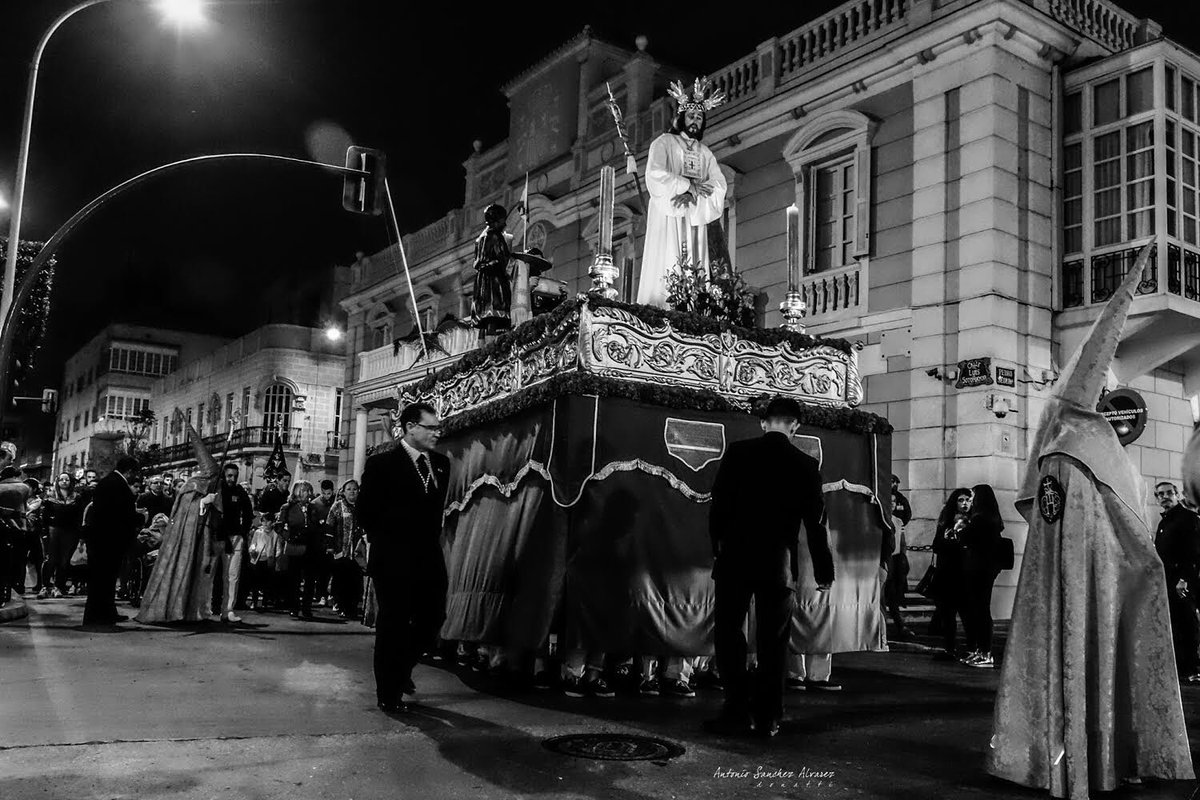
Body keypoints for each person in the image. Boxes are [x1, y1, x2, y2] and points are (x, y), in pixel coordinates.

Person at [990, 244, 1194, 796]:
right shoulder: (1090, 447)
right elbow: (1120, 529)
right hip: (1100, 583)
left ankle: (1058, 760)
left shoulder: (1056, 447)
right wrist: (1144, 564)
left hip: (1078, 583)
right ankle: (1094, 760)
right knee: (1096, 661)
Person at [704, 396, 834, 738]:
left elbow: (719, 507)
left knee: (729, 633)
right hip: (779, 563)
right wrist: (824, 571)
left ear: (764, 422)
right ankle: (768, 716)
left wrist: (717, 547)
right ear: (795, 426)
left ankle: (735, 708)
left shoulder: (738, 453)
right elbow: (816, 523)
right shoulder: (805, 464)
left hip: (735, 557)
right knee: (774, 641)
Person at [357, 402, 450, 714]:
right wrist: (391, 538)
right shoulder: (382, 464)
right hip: (392, 557)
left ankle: (402, 666)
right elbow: (365, 513)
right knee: (393, 623)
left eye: (437, 428)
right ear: (411, 427)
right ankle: (389, 692)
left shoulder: (441, 464)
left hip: (428, 556)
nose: (437, 433)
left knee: (433, 616)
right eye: (430, 427)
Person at [637, 77, 728, 308]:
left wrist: (693, 194)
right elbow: (655, 173)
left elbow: (719, 184)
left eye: (699, 117)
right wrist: (687, 186)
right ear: (681, 118)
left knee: (696, 264)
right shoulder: (664, 143)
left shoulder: (705, 153)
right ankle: (665, 303)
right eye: (691, 116)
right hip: (670, 214)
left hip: (694, 217)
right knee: (668, 258)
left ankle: (695, 303)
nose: (695, 121)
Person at [136, 430, 223, 624]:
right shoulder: (190, 486)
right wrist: (202, 503)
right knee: (182, 570)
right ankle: (176, 610)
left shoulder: (213, 486)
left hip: (203, 535)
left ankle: (196, 611)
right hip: (184, 538)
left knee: (199, 573)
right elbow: (184, 510)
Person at [83, 456, 143, 626]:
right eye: (135, 473)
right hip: (107, 540)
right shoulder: (116, 484)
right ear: (129, 471)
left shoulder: (111, 481)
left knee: (106, 579)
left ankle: (107, 612)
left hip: (105, 539)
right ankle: (98, 616)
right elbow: (119, 513)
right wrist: (140, 518)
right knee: (103, 579)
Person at [1153, 481, 1200, 683]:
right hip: (1168, 580)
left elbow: (1194, 552)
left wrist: (1184, 580)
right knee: (1176, 624)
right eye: (1160, 494)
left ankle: (1192, 669)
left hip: (1183, 581)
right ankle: (1181, 669)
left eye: (1168, 493)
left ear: (1177, 495)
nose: (1165, 497)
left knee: (1187, 623)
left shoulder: (1188, 518)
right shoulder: (1164, 523)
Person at [957, 483, 1003, 668]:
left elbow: (966, 537)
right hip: (986, 568)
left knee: (980, 610)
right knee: (980, 609)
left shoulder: (980, 518)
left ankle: (984, 652)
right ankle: (981, 651)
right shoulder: (992, 518)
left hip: (979, 568)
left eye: (973, 496)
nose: (971, 500)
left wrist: (960, 529)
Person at [929, 487, 972, 660]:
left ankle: (972, 648)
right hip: (947, 573)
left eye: (968, 500)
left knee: (967, 614)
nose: (965, 504)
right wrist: (950, 536)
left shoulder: (973, 520)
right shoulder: (946, 521)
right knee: (947, 614)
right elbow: (937, 545)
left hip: (964, 573)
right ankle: (949, 648)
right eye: (961, 500)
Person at [213, 463, 254, 623]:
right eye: (229, 475)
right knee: (212, 574)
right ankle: (207, 607)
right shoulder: (217, 490)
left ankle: (228, 610)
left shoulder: (239, 491)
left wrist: (243, 532)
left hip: (235, 537)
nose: (232, 479)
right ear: (224, 475)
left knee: (232, 576)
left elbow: (248, 512)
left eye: (235, 476)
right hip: (217, 537)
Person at [275, 481, 323, 620]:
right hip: (295, 545)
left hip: (311, 546)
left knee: (310, 579)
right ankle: (293, 607)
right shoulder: (287, 507)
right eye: (305, 490)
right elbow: (279, 526)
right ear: (297, 491)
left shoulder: (313, 508)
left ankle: (306, 608)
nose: (308, 493)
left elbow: (318, 525)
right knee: (294, 579)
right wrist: (288, 537)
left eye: (309, 490)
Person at [469, 203, 514, 336]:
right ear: (498, 220)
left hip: (481, 280)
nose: (505, 223)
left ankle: (485, 340)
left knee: (485, 317)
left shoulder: (480, 238)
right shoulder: (496, 236)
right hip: (495, 279)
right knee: (495, 314)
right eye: (503, 219)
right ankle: (494, 340)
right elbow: (504, 259)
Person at [39, 472, 83, 598]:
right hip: (53, 530)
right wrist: (44, 532)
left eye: (67, 479)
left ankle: (58, 586)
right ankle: (45, 586)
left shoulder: (76, 497)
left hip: (70, 531)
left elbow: (79, 516)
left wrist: (80, 533)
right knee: (50, 559)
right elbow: (44, 516)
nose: (64, 482)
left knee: (64, 560)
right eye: (61, 479)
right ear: (57, 482)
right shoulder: (50, 497)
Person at [327, 479, 364, 619]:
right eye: (349, 489)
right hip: (341, 551)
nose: (352, 492)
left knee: (356, 581)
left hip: (358, 552)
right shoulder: (337, 506)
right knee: (342, 580)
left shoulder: (362, 507)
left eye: (355, 489)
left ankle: (352, 608)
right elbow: (329, 527)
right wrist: (330, 546)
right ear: (343, 491)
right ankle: (341, 605)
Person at [885, 474, 914, 641]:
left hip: (894, 560)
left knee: (892, 594)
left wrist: (902, 558)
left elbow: (902, 542)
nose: (892, 504)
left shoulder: (898, 521)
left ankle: (899, 625)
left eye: (894, 502)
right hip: (884, 561)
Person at [310, 479, 337, 608]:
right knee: (322, 570)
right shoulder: (315, 504)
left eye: (329, 493)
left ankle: (332, 595)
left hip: (334, 540)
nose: (327, 496)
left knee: (333, 570)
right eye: (325, 493)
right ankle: (321, 594)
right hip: (320, 541)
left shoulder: (336, 503)